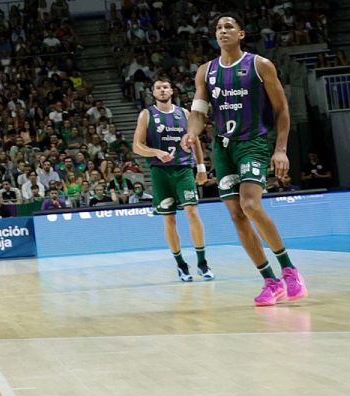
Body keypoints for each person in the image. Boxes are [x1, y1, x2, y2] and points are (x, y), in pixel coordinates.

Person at [183, 15, 305, 306]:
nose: (223, 31)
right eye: (218, 28)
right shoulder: (205, 72)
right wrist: (191, 133)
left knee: (251, 205)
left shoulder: (260, 65)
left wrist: (281, 149)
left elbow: (282, 109)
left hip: (254, 143)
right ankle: (270, 281)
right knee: (237, 215)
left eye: (229, 27)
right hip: (223, 148)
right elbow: (199, 112)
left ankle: (289, 269)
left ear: (241, 34)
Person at [131, 78, 212, 282]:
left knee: (192, 212)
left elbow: (195, 142)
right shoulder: (147, 115)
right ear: (153, 92)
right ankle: (181, 265)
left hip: (183, 169)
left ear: (172, 90)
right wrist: (156, 152)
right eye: (158, 87)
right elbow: (136, 146)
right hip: (160, 172)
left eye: (166, 87)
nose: (163, 90)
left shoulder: (184, 113)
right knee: (169, 218)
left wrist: (201, 168)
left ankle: (202, 262)